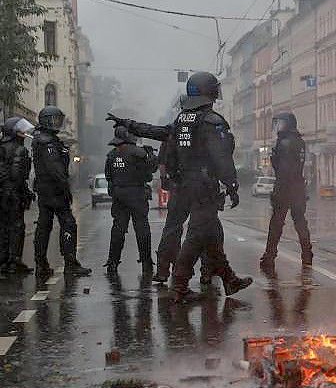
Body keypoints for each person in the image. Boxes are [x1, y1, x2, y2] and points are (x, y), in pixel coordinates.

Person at [159, 71, 253, 302]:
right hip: (205, 186)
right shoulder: (211, 120)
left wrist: (172, 179)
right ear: (208, 92)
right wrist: (231, 184)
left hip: (185, 185)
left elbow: (170, 153)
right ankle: (179, 284)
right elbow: (221, 156)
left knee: (212, 234)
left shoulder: (182, 119)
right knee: (197, 236)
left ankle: (229, 279)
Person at [107, 96, 213, 285]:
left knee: (167, 228)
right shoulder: (205, 126)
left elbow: (154, 139)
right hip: (195, 187)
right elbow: (150, 171)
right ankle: (164, 266)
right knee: (202, 229)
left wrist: (127, 122)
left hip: (172, 187)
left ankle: (158, 269)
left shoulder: (174, 131)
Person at [31, 106, 91, 277]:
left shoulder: (44, 139)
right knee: (68, 224)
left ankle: (41, 264)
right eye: (55, 120)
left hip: (45, 190)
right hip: (54, 190)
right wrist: (65, 187)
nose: (58, 123)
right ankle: (70, 264)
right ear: (47, 120)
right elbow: (55, 169)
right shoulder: (47, 142)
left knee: (44, 226)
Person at [259, 112, 313, 275]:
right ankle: (307, 253)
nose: (277, 127)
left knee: (276, 223)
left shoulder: (284, 143)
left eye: (280, 123)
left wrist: (279, 188)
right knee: (300, 222)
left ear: (287, 124)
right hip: (298, 186)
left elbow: (282, 168)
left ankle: (269, 256)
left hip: (285, 187)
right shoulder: (299, 141)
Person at [104, 125, 159, 275]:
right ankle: (146, 261)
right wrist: (150, 155)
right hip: (136, 193)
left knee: (118, 229)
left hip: (119, 194)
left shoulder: (111, 155)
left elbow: (108, 176)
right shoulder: (138, 153)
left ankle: (112, 262)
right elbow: (150, 171)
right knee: (142, 228)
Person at [0, 117, 34, 276]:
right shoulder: (19, 150)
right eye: (21, 131)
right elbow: (17, 175)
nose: (24, 133)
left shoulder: (1, 147)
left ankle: (4, 260)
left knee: (3, 227)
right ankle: (14, 261)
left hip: (2, 193)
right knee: (17, 227)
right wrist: (25, 192)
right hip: (13, 194)